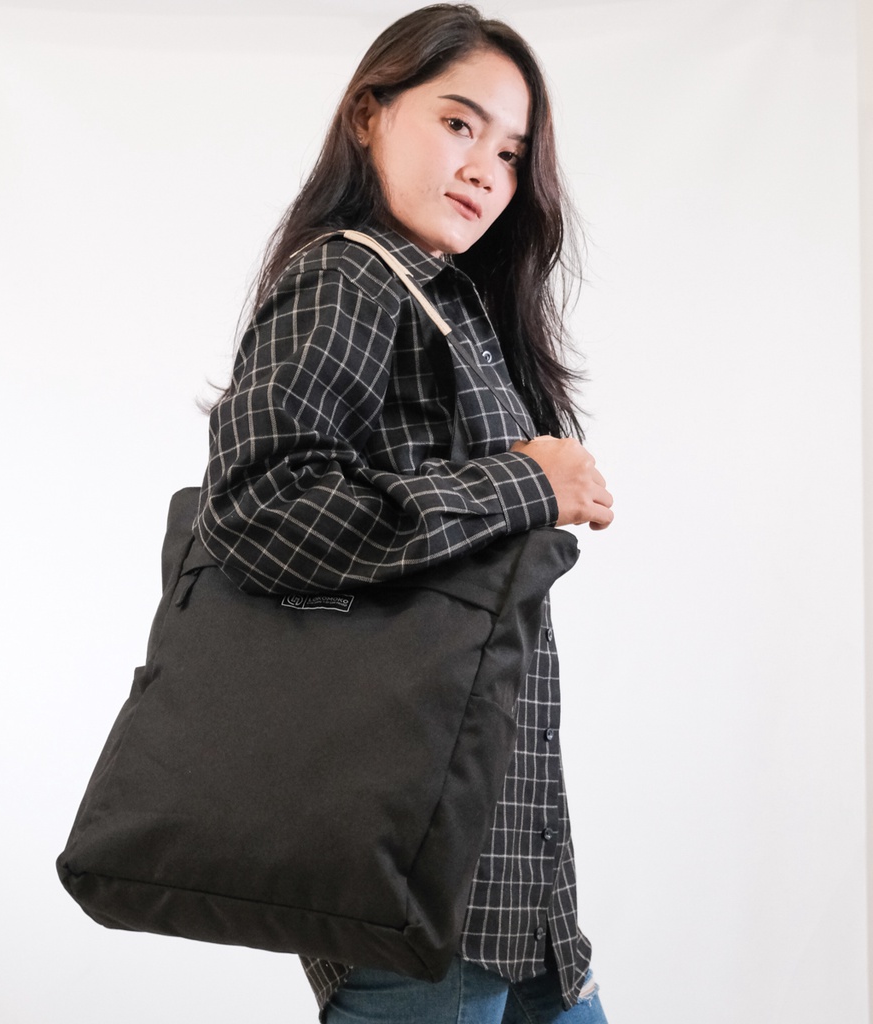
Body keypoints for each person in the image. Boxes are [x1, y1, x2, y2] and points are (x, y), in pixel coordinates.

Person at [195, 4, 614, 1022]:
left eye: (509, 152)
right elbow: (259, 504)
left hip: (509, 883)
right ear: (368, 115)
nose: (485, 170)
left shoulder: (448, 305)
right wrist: (527, 482)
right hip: (422, 887)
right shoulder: (347, 277)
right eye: (458, 122)